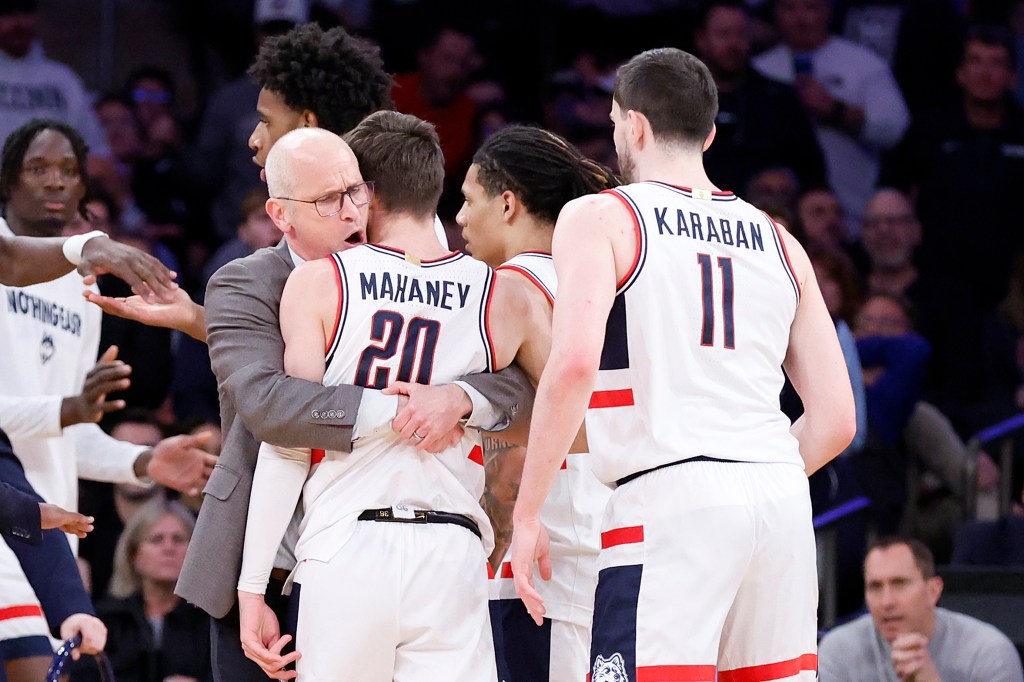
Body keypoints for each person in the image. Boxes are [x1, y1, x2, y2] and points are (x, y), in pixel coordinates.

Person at [510, 48, 856, 680]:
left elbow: (573, 363)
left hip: (669, 495)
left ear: (632, 125)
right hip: (777, 497)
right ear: (710, 133)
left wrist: (528, 512)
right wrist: (751, 474)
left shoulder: (601, 215)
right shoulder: (780, 238)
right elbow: (835, 420)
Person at [236, 119, 535, 681]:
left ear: (364, 193)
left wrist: (253, 588)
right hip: (452, 546)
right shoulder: (501, 292)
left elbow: (289, 444)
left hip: (346, 547)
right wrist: (466, 399)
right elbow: (539, 403)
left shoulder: (320, 282)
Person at [0, 119, 214, 679]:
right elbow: (57, 415)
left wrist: (141, 460)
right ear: (7, 182)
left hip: (45, 538)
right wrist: (67, 410)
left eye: (68, 171)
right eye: (38, 168)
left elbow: (68, 435)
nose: (55, 182)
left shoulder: (79, 288)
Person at [456, 125, 618, 682]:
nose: (459, 218)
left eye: (467, 200)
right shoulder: (610, 277)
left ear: (507, 204)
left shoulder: (510, 287)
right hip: (606, 539)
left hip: (544, 550)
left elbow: (585, 419)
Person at [753, 0, 909, 235]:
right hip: (777, 219)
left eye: (811, 8)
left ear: (829, 10)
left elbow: (895, 129)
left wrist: (837, 110)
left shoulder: (863, 64)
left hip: (855, 213)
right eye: (790, 8)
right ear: (776, 13)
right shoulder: (760, 68)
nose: (801, 18)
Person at [818, 536, 1024, 681]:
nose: (886, 601)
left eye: (900, 584)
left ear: (933, 590)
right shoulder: (838, 651)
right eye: (875, 587)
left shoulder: (988, 654)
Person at [694, 0, 827, 194]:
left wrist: (787, 178)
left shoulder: (779, 98)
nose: (734, 44)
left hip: (766, 214)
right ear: (701, 40)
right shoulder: (677, 99)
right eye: (724, 35)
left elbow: (812, 171)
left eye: (740, 34)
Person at [96, 498, 209, 682]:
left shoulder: (211, 621)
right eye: (157, 540)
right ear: (133, 554)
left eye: (178, 539)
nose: (168, 548)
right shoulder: (107, 620)